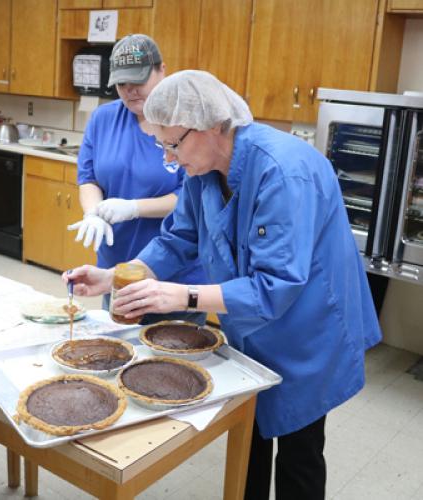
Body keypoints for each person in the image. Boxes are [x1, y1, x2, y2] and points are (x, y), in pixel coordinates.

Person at [63, 70, 382, 500]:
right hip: (252, 324)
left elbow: (275, 285)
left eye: (173, 144)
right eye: (162, 146)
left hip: (309, 330)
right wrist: (116, 274)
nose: (169, 159)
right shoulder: (202, 171)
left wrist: (182, 294)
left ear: (215, 124)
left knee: (299, 453)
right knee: (249, 437)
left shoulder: (283, 172)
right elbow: (180, 238)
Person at [67, 35, 205, 324]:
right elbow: (89, 177)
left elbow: (191, 197)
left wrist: (134, 208)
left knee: (170, 356)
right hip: (117, 265)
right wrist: (94, 212)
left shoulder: (185, 124)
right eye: (121, 84)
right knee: (120, 347)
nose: (130, 91)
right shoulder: (103, 119)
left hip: (173, 269)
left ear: (162, 70)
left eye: (138, 81)